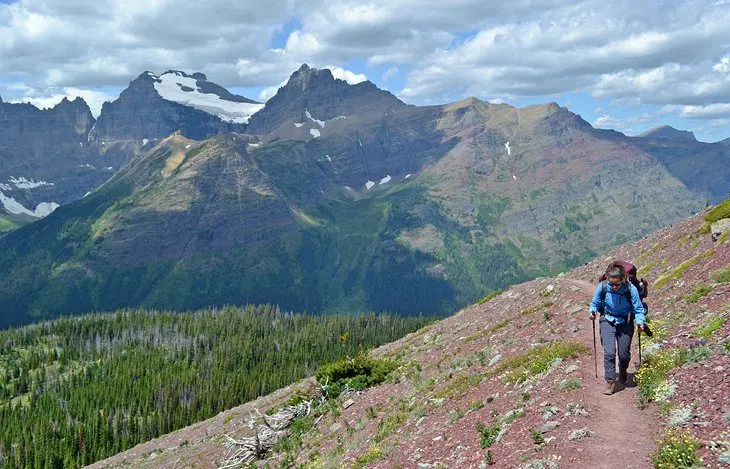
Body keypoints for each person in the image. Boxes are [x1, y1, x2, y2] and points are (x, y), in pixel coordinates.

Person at [589, 264, 646, 395]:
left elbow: (638, 308)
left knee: (624, 354)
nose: (614, 287)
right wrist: (592, 311)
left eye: (617, 284)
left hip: (625, 321)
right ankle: (610, 382)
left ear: (623, 279)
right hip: (607, 320)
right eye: (612, 284)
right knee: (609, 352)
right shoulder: (603, 286)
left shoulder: (631, 289)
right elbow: (595, 303)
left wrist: (640, 322)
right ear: (608, 279)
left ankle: (623, 371)